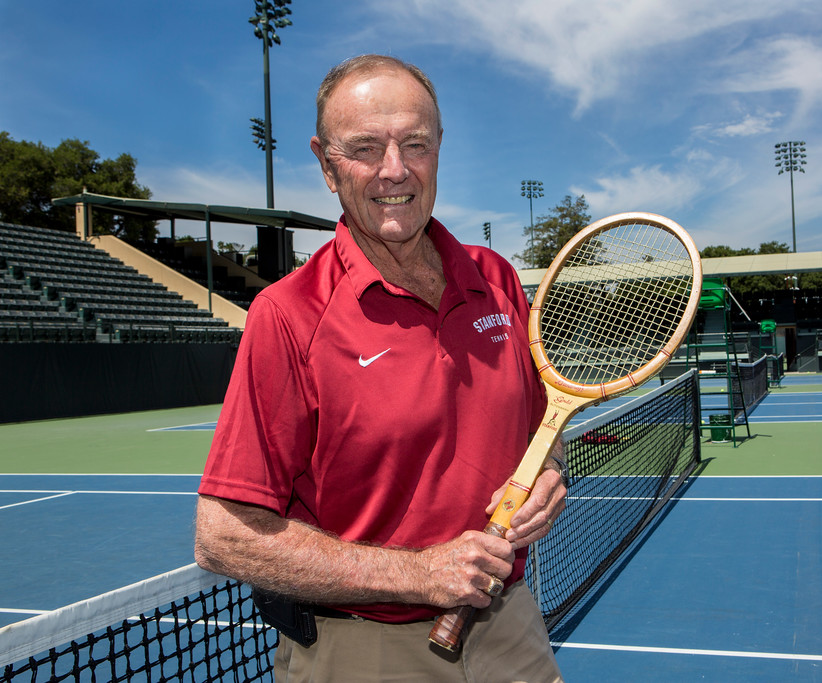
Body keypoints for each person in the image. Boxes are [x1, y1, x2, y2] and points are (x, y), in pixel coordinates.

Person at [194, 54, 567, 682]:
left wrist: (551, 476)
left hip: (511, 627)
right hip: (363, 650)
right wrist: (417, 574)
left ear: (439, 148)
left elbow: (540, 434)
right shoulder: (288, 315)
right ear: (326, 165)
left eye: (415, 144)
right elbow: (222, 536)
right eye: (365, 148)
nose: (395, 170)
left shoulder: (498, 279)